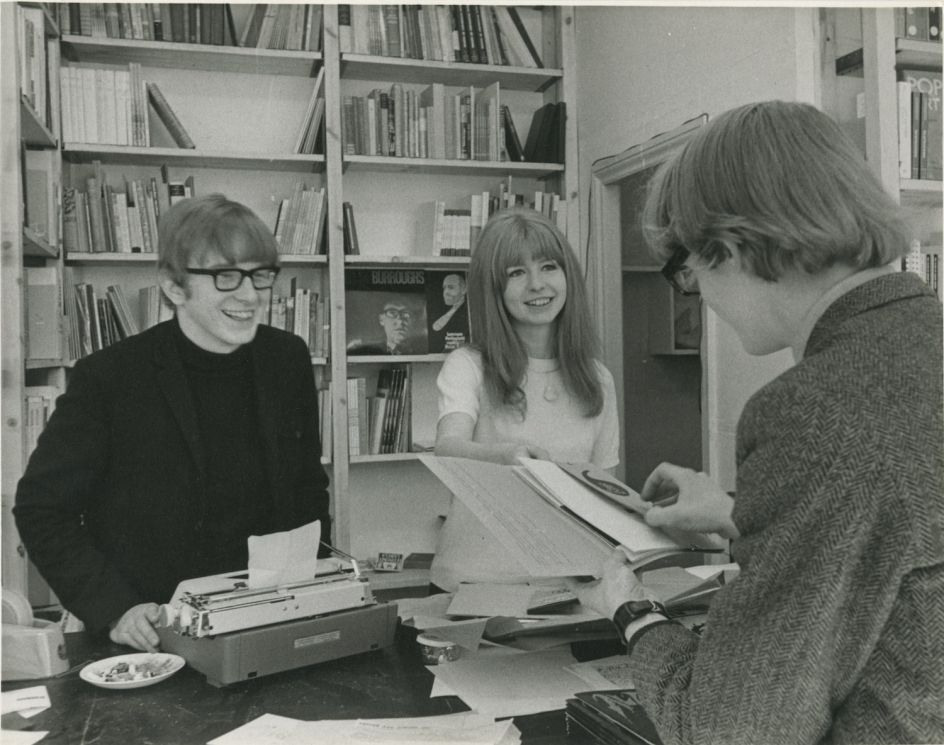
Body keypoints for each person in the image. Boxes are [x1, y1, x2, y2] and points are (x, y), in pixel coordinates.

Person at [572, 101, 943, 744]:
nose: (703, 299)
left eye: (688, 270)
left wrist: (631, 612)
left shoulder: (812, 408)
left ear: (732, 245)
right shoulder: (923, 346)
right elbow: (904, 533)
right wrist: (737, 512)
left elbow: (731, 730)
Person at [14, 194, 332, 653]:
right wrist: (114, 608)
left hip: (269, 618)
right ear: (174, 287)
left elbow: (305, 486)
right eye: (225, 276)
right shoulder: (110, 377)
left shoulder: (287, 358)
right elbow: (42, 509)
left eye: (260, 275)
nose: (250, 295)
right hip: (153, 634)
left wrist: (317, 586)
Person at [431, 208, 620, 589]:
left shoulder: (598, 377)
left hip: (568, 589)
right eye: (516, 273)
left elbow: (605, 494)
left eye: (549, 267)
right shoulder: (468, 364)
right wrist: (504, 456)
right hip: (474, 586)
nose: (537, 285)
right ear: (493, 290)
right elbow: (448, 449)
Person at [347, 298, 425, 355]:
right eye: (392, 313)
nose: (400, 321)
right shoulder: (365, 350)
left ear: (413, 320)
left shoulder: (423, 349)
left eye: (405, 314)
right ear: (381, 319)